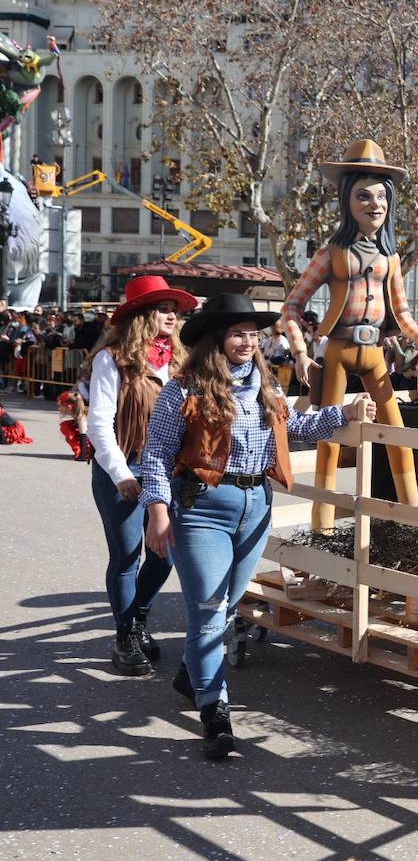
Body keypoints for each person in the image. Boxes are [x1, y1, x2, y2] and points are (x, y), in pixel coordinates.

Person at [141, 294, 375, 760]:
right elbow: (156, 453)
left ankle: (193, 673)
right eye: (237, 333)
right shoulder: (183, 390)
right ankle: (215, 711)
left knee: (227, 607)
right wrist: (158, 511)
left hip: (257, 504)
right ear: (216, 340)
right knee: (208, 608)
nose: (248, 342)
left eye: (253, 333)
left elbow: (298, 428)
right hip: (204, 506)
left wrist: (345, 413)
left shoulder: (266, 387)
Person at [277, 139, 418, 531]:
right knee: (329, 441)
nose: (374, 205)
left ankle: (413, 526)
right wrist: (300, 353)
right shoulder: (330, 254)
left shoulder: (391, 258)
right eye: (364, 196)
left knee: (398, 436)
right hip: (339, 350)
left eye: (381, 197)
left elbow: (402, 310)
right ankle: (322, 530)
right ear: (347, 199)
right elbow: (292, 306)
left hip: (375, 354)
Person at [85, 275, 197, 675]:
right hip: (125, 464)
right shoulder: (111, 358)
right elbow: (98, 424)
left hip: (168, 469)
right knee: (128, 554)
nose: (172, 315)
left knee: (165, 551)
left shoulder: (183, 361)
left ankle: (138, 618)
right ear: (141, 315)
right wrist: (120, 474)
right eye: (163, 308)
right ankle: (124, 636)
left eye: (174, 309)